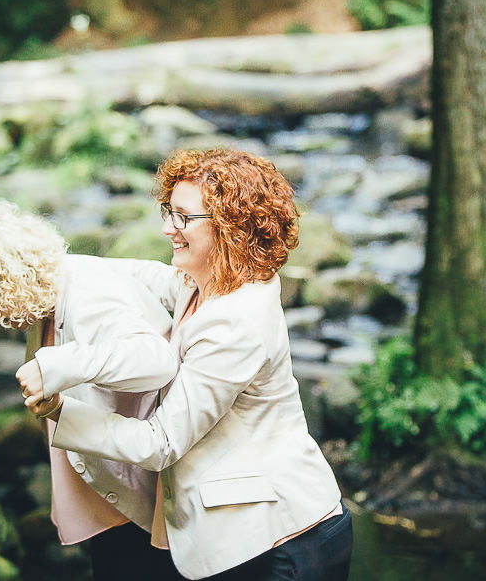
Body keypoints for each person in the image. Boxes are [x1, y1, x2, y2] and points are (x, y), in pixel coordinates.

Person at [21, 148, 353, 581]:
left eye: (181, 217)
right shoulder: (204, 280)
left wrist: (61, 409)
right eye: (167, 212)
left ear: (231, 227)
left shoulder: (236, 323)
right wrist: (49, 267)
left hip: (284, 541)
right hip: (247, 535)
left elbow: (160, 444)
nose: (166, 228)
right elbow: (131, 275)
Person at [0, 200, 185, 581]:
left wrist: (55, 368)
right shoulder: (53, 294)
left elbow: (155, 361)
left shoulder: (88, 294)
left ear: (10, 278)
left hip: (142, 501)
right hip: (117, 496)